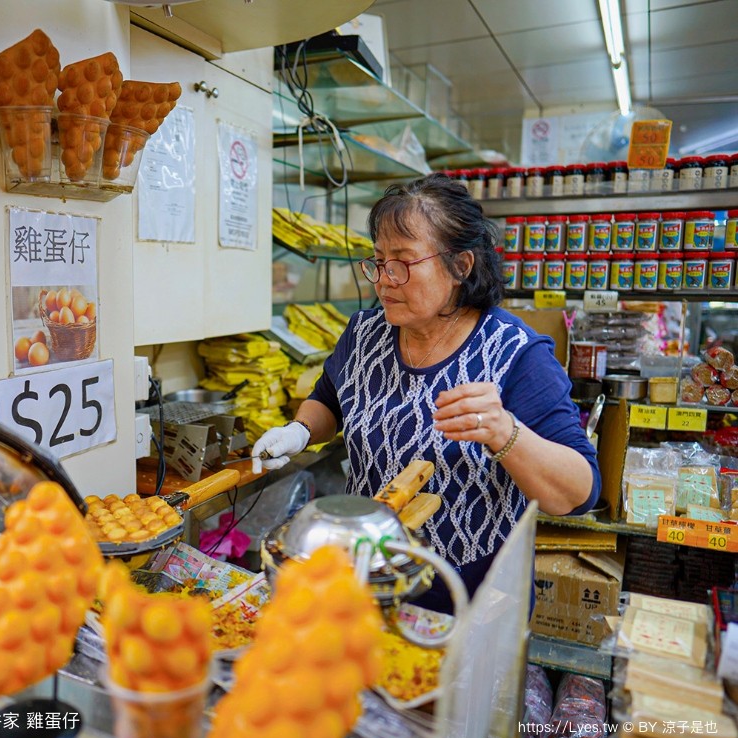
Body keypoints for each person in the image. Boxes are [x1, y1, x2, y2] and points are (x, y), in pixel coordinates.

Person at [252, 173, 600, 613]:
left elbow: (578, 493)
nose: (382, 280)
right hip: (368, 581)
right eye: (377, 261)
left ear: (460, 266)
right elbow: (330, 400)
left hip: (469, 596)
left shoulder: (515, 353)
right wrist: (299, 432)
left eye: (402, 262)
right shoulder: (366, 334)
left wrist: (504, 432)